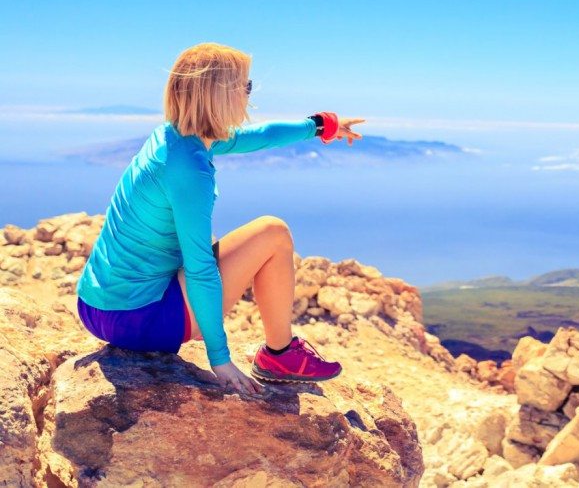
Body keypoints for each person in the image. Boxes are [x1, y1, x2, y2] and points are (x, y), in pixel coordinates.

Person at [75, 42, 364, 395]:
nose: (249, 95)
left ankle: (280, 352)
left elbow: (259, 136)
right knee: (273, 233)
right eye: (246, 86)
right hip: (138, 320)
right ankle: (280, 354)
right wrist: (219, 357)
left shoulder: (174, 135)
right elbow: (199, 268)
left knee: (257, 236)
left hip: (95, 306)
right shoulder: (188, 169)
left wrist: (320, 125)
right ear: (219, 94)